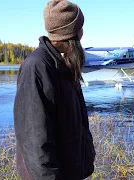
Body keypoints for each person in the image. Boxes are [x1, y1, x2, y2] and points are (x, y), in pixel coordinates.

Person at [13, 0, 95, 179]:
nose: (83, 31)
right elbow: (35, 140)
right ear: (72, 33)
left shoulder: (63, 64)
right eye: (80, 26)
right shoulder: (37, 67)